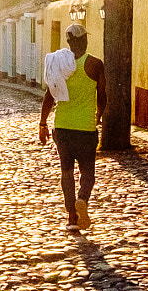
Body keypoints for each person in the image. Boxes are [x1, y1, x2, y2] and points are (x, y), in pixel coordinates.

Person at [38, 23, 105, 232]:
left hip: (63, 127)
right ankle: (82, 199)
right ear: (85, 40)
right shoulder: (95, 64)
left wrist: (42, 124)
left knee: (66, 172)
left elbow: (49, 96)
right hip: (85, 128)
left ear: (68, 42)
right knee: (88, 172)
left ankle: (71, 216)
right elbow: (102, 95)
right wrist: (98, 115)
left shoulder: (58, 64)